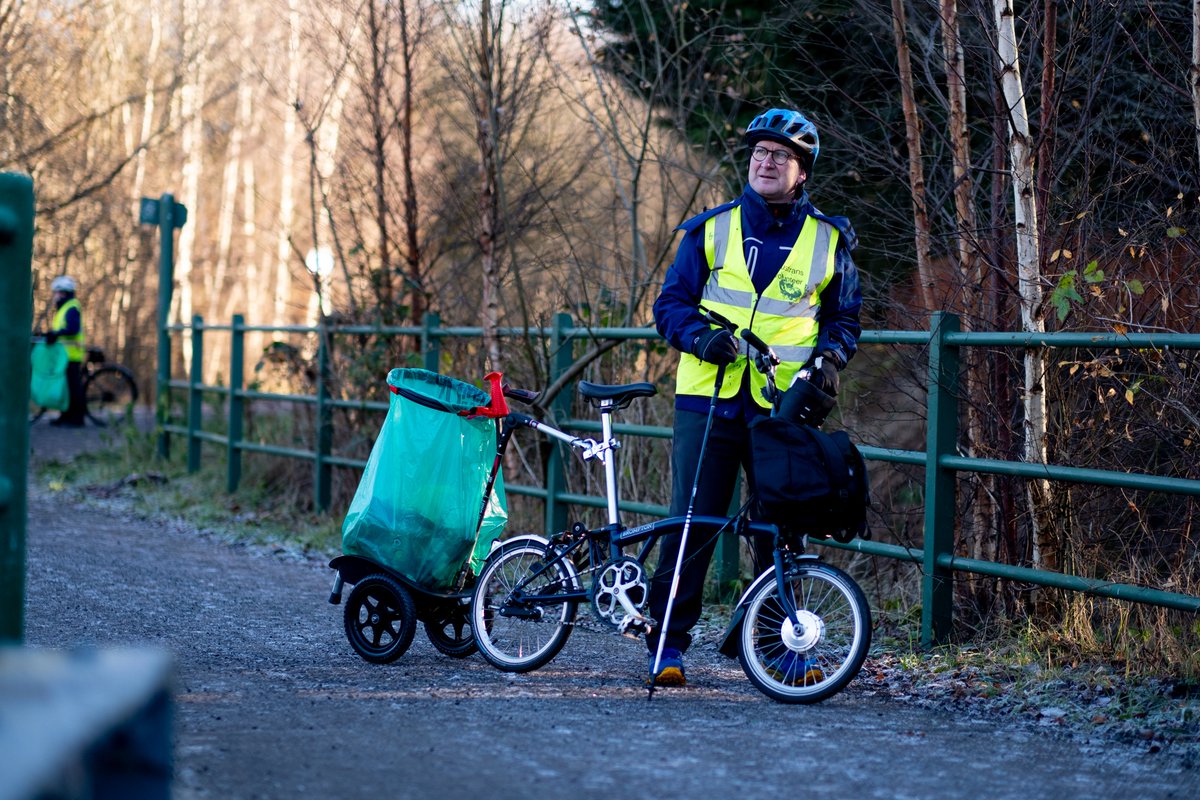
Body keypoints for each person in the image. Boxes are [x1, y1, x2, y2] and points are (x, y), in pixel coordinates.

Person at [646, 108, 863, 686]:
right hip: (707, 397)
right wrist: (699, 336)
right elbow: (668, 306)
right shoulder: (709, 230)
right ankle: (667, 645)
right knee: (692, 521)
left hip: (781, 405)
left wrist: (830, 359)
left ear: (802, 173)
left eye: (781, 157)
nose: (766, 163)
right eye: (759, 154)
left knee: (781, 523)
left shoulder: (830, 241)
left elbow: (844, 318)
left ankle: (777, 647)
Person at [45, 275, 87, 427]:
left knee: (74, 388)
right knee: (65, 388)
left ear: (64, 293)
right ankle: (65, 416)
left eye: (57, 293)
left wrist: (56, 334)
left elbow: (72, 329)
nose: (55, 296)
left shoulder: (71, 307)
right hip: (63, 355)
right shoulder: (64, 308)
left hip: (72, 355)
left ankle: (77, 419)